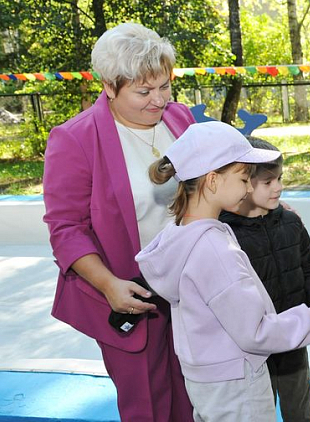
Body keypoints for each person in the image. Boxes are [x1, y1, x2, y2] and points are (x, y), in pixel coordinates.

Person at [136, 121, 310, 422]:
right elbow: (255, 333)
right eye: (244, 178)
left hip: (210, 380)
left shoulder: (181, 235)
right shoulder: (214, 250)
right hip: (238, 386)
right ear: (213, 180)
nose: (249, 188)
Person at [42, 22, 196, 421]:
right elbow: (66, 229)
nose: (158, 100)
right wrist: (109, 285)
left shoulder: (181, 120)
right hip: (129, 294)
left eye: (164, 86)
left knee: (194, 396)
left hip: (190, 288)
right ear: (110, 87)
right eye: (143, 91)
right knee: (147, 404)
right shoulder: (75, 138)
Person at [219, 137, 310, 422]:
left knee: (299, 413)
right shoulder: (224, 234)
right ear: (244, 183)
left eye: (279, 179)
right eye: (268, 182)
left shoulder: (292, 223)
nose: (278, 187)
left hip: (294, 337)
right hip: (252, 351)